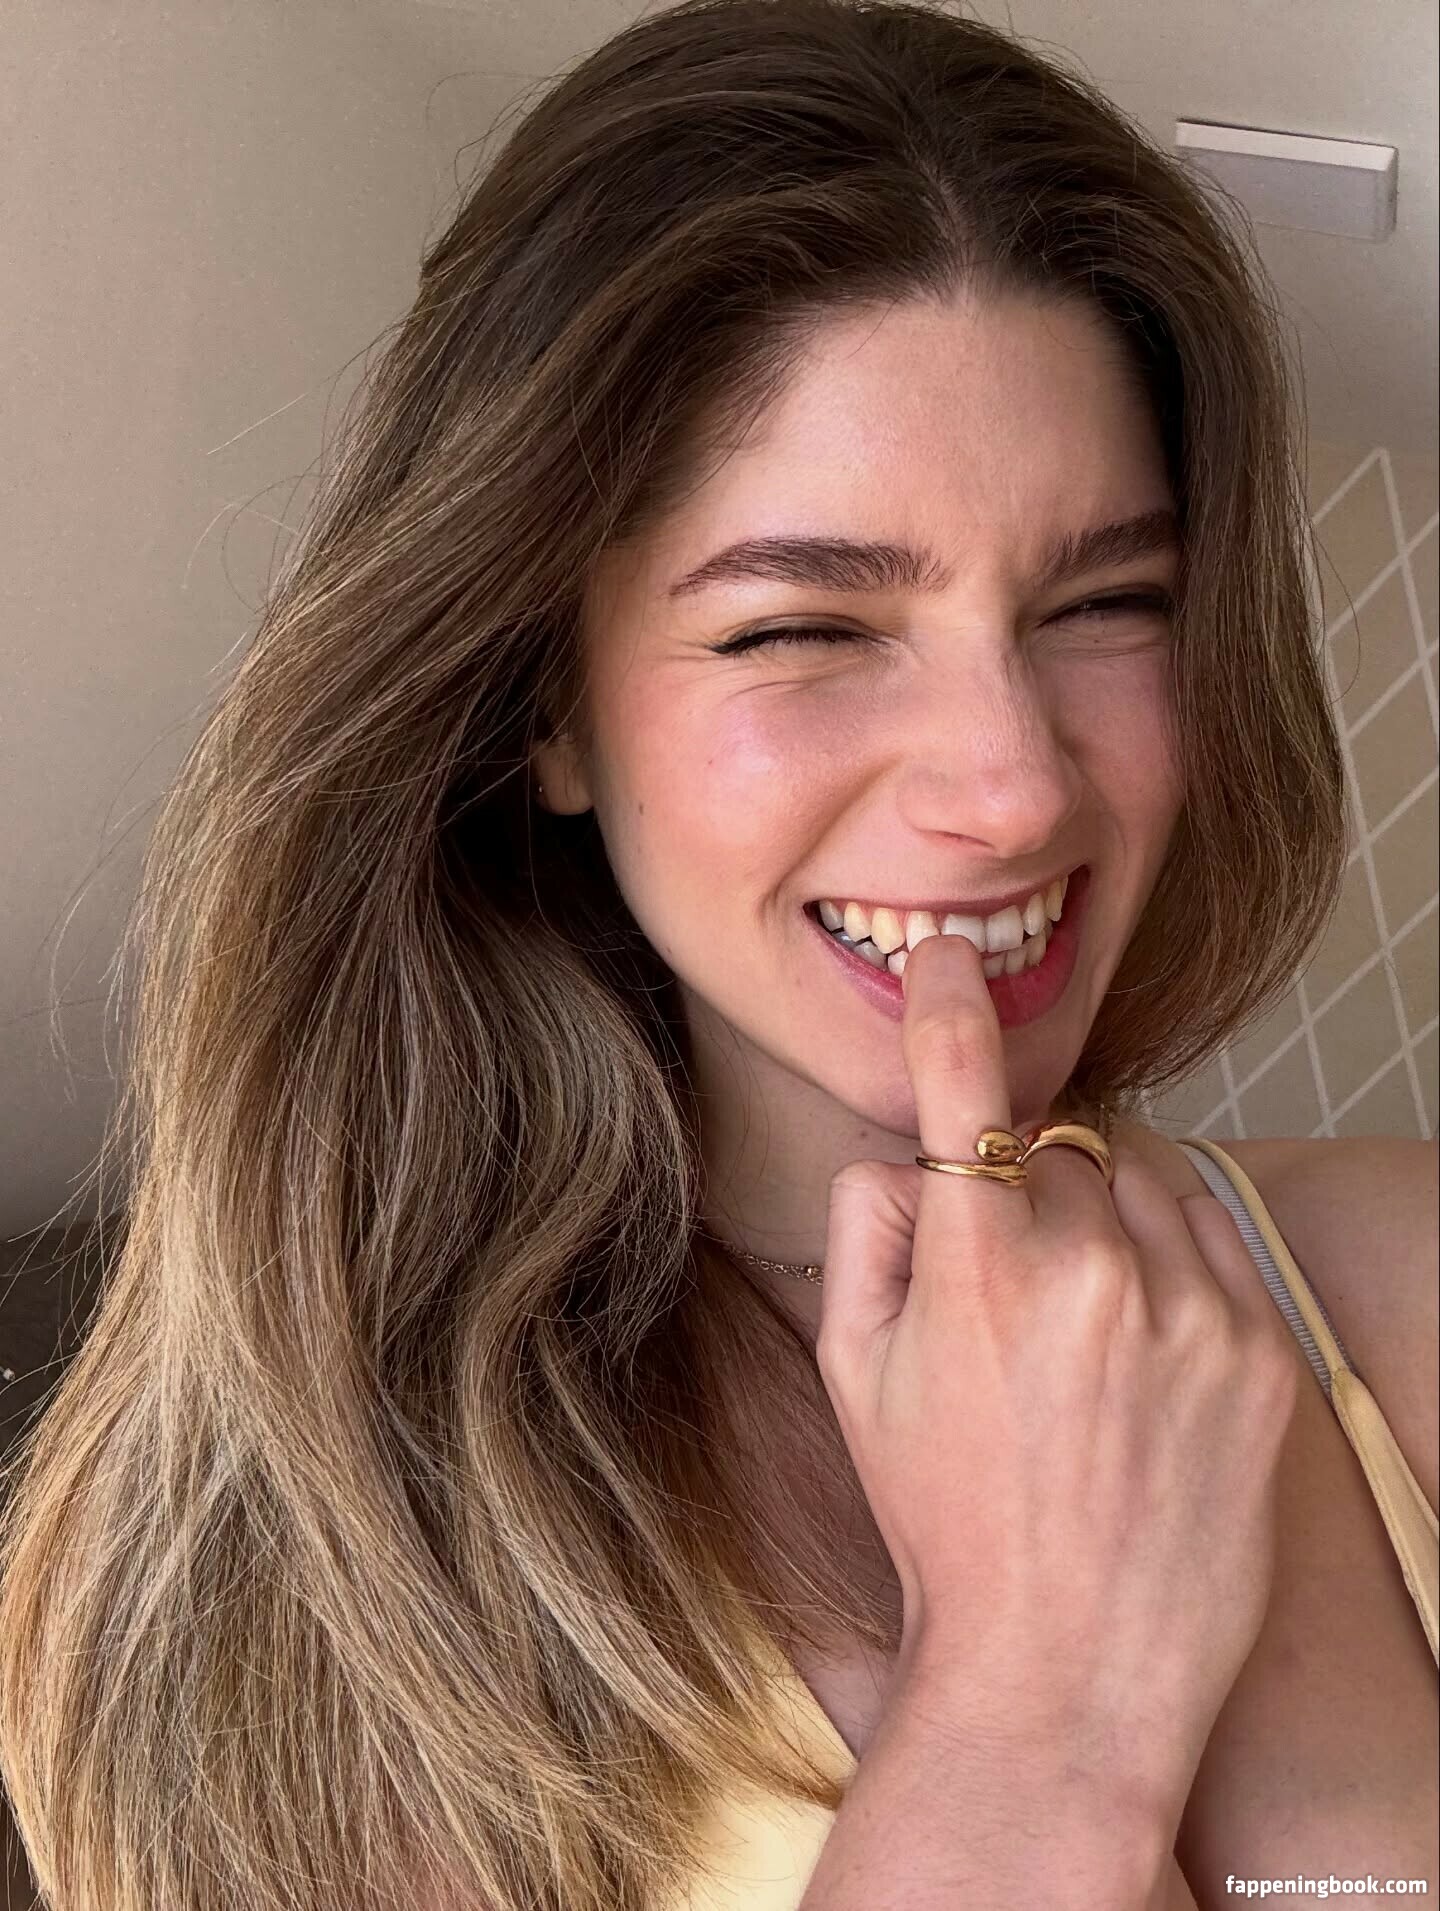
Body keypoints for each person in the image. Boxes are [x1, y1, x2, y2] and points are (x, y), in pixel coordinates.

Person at [1, 0, 1434, 1906]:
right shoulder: (281, 1601)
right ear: (549, 708)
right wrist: (1039, 1719)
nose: (1014, 785)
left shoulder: (1398, 1273)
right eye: (801, 629)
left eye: (1106, 601)